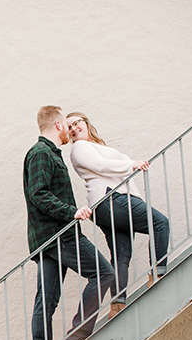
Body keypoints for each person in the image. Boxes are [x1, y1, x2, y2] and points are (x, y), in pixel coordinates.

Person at [24, 106, 115, 340]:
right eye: (65, 124)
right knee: (104, 273)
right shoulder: (41, 153)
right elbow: (38, 193)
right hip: (60, 235)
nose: (68, 130)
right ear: (57, 125)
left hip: (49, 240)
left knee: (46, 301)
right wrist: (71, 212)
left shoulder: (47, 153)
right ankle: (77, 334)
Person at [66, 112, 170, 319]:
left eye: (76, 123)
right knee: (159, 223)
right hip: (112, 199)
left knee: (122, 255)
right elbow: (100, 166)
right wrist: (131, 164)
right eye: (69, 127)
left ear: (85, 122)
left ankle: (117, 304)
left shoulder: (95, 145)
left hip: (108, 204)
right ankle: (157, 274)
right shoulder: (80, 147)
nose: (73, 128)